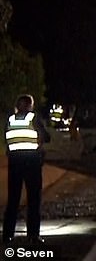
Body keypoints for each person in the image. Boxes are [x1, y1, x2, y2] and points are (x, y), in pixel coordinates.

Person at [3, 94, 50, 244]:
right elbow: (46, 137)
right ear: (30, 105)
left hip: (14, 162)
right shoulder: (33, 118)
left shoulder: (10, 119)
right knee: (33, 200)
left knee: (13, 200)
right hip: (32, 162)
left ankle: (7, 235)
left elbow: (7, 139)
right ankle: (33, 236)